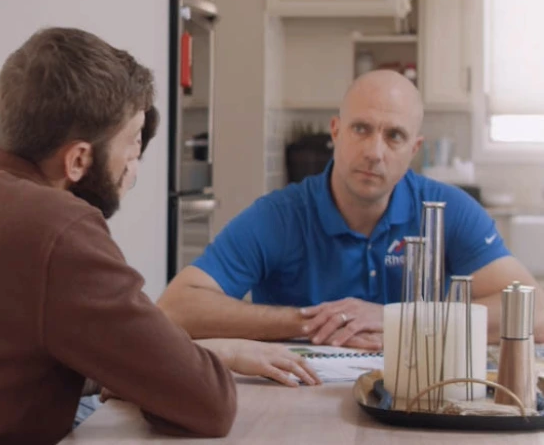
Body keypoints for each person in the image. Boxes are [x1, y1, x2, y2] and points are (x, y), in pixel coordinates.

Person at [0, 27, 319, 445]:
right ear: (78, 159)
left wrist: (165, 360)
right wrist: (197, 364)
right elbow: (210, 404)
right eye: (132, 146)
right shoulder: (58, 227)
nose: (134, 168)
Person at [158, 69, 544, 351]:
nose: (374, 152)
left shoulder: (447, 209)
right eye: (361, 129)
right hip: (300, 401)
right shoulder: (280, 216)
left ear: (414, 149)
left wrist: (397, 322)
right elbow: (176, 307)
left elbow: (535, 310)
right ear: (336, 131)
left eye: (394, 136)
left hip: (417, 396)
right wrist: (311, 321)